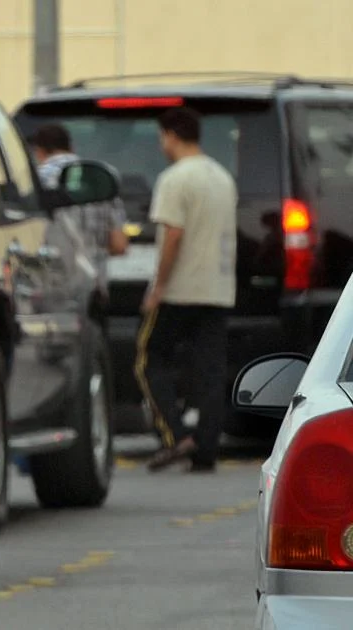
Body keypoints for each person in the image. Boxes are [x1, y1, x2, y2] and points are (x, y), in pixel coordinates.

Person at [136, 107, 237, 473]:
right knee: (210, 370)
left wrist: (158, 287)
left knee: (149, 359)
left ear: (170, 135)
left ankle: (176, 435)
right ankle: (206, 449)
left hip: (180, 290)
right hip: (217, 289)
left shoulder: (175, 179)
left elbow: (173, 235)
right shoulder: (221, 177)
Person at [31, 123, 128, 257]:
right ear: (71, 148)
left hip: (51, 272)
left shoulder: (34, 181)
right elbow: (119, 245)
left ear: (39, 151)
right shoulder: (99, 177)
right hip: (93, 274)